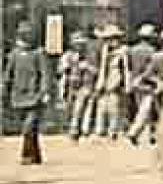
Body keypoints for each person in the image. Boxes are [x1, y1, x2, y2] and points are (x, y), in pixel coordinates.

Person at [4, 24, 51, 164]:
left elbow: (45, 74)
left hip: (34, 96)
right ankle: (36, 156)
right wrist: (4, 89)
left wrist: (45, 92)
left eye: (29, 34)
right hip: (18, 96)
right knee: (30, 129)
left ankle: (26, 156)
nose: (26, 37)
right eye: (24, 34)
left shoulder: (39, 53)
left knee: (28, 127)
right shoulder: (14, 54)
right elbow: (8, 75)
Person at [127, 28, 163, 146]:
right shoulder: (154, 53)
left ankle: (144, 133)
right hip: (152, 86)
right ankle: (150, 135)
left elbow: (130, 68)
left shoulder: (132, 50)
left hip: (140, 84)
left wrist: (134, 81)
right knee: (152, 111)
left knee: (145, 109)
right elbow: (148, 72)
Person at [93, 25, 130, 139]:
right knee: (102, 106)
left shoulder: (123, 51)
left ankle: (113, 130)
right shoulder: (104, 51)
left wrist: (127, 83)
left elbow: (126, 69)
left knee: (114, 107)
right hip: (104, 81)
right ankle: (100, 129)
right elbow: (101, 68)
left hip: (115, 81)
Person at [60, 33, 97, 140]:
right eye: (77, 44)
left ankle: (80, 129)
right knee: (72, 108)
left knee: (82, 107)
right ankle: (73, 128)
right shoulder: (68, 55)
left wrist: (87, 67)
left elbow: (96, 70)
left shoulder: (90, 56)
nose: (79, 46)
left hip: (85, 85)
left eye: (81, 44)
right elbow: (62, 71)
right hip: (71, 85)